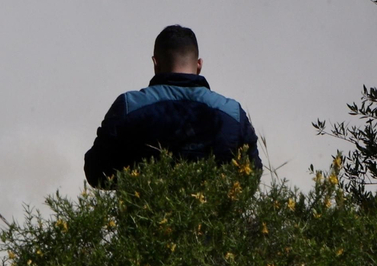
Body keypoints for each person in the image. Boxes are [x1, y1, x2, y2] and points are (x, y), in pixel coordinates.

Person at [83, 24, 261, 188]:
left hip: (145, 221)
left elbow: (96, 172)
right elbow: (251, 178)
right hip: (215, 221)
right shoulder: (233, 113)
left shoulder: (128, 107)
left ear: (155, 64)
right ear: (199, 65)